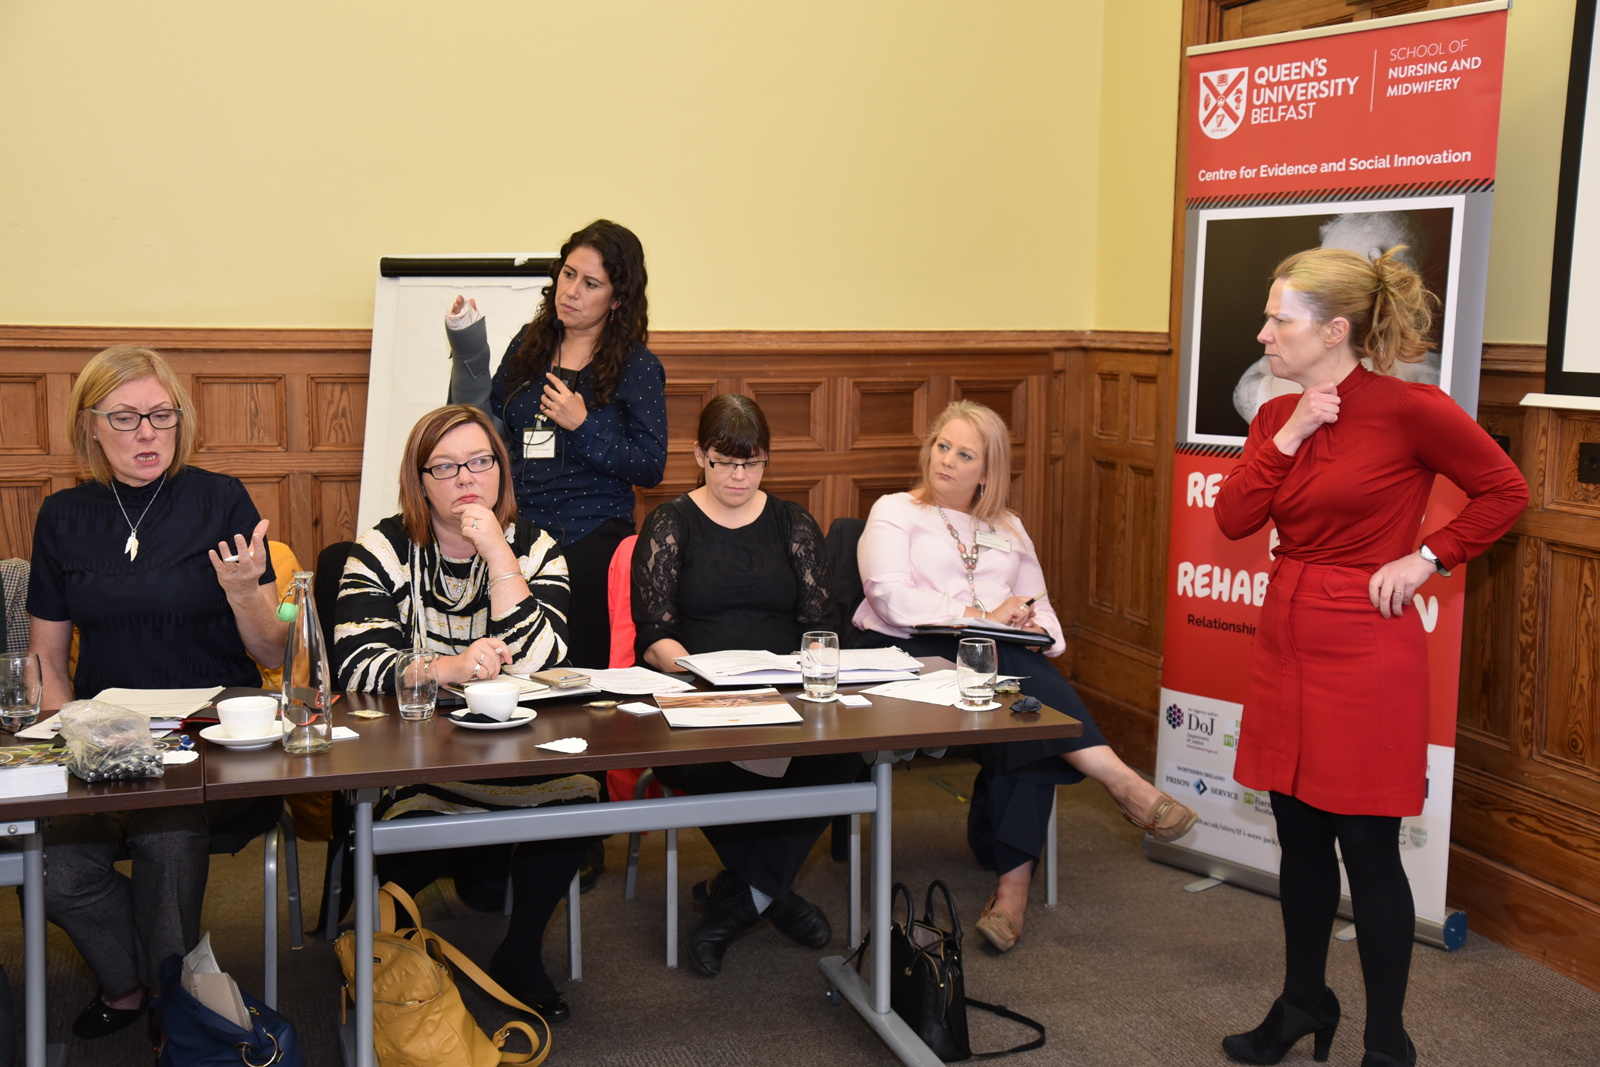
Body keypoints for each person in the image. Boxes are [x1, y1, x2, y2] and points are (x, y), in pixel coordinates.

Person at [1214, 248, 1527, 1067]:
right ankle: (1303, 1001)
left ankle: (1389, 1038)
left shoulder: (1410, 408)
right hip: (1285, 639)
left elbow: (1506, 490)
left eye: (1279, 319)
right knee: (1299, 840)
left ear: (1335, 330)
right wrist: (1291, 431)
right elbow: (1235, 518)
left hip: (1365, 644)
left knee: (1369, 851)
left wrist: (1428, 557)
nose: (1264, 333)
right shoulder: (1274, 417)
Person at [852, 399, 1197, 953]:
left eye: (964, 454)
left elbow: (1044, 611)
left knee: (1025, 698)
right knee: (1026, 690)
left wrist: (1032, 627)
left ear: (987, 473)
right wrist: (985, 618)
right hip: (908, 652)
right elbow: (890, 598)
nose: (946, 460)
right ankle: (1119, 783)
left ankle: (1011, 893)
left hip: (996, 661)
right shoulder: (896, 510)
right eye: (942, 446)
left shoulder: (1009, 527)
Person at [24, 345, 289, 1038]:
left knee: (166, 839)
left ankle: (171, 1011)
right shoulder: (62, 516)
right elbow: (48, 659)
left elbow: (273, 653)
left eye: (161, 415)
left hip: (210, 741)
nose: (147, 432)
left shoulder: (220, 499)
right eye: (125, 417)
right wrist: (58, 744)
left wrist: (245, 592)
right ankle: (144, 983)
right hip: (104, 744)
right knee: (51, 869)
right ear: (90, 425)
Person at [333, 403, 592, 1022]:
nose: (466, 478)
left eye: (480, 462)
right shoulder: (382, 549)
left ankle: (520, 953)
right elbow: (355, 666)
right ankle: (391, 957)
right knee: (407, 824)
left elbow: (545, 661)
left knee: (579, 793)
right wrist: (448, 667)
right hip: (414, 751)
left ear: (502, 470)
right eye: (445, 467)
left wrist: (498, 554)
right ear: (420, 482)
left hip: (518, 746)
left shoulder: (536, 548)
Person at [632, 394, 857, 977]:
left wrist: (793, 676)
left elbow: (820, 627)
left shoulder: (792, 523)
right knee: (708, 763)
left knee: (844, 758)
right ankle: (771, 894)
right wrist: (702, 676)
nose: (739, 476)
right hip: (700, 700)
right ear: (699, 456)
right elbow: (655, 636)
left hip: (785, 696)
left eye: (752, 463)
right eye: (725, 462)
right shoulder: (671, 523)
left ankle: (743, 899)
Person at [447, 219, 667, 669]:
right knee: (512, 665)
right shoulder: (528, 343)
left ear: (617, 299)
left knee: (578, 674)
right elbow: (488, 424)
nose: (571, 292)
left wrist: (583, 425)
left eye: (590, 284)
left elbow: (650, 466)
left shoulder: (638, 366)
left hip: (593, 538)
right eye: (568, 274)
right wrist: (468, 353)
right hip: (518, 530)